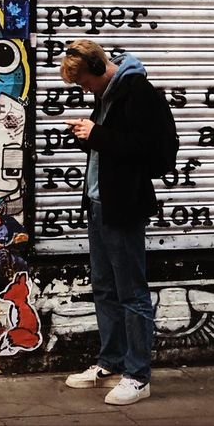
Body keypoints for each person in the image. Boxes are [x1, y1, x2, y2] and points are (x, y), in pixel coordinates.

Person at [60, 40, 160, 407]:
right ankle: (111, 362)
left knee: (132, 292)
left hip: (123, 208)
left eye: (85, 82)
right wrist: (88, 137)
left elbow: (159, 152)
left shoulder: (138, 92)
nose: (85, 89)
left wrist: (98, 135)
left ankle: (138, 375)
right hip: (98, 204)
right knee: (104, 287)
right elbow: (113, 149)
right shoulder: (107, 94)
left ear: (100, 67)